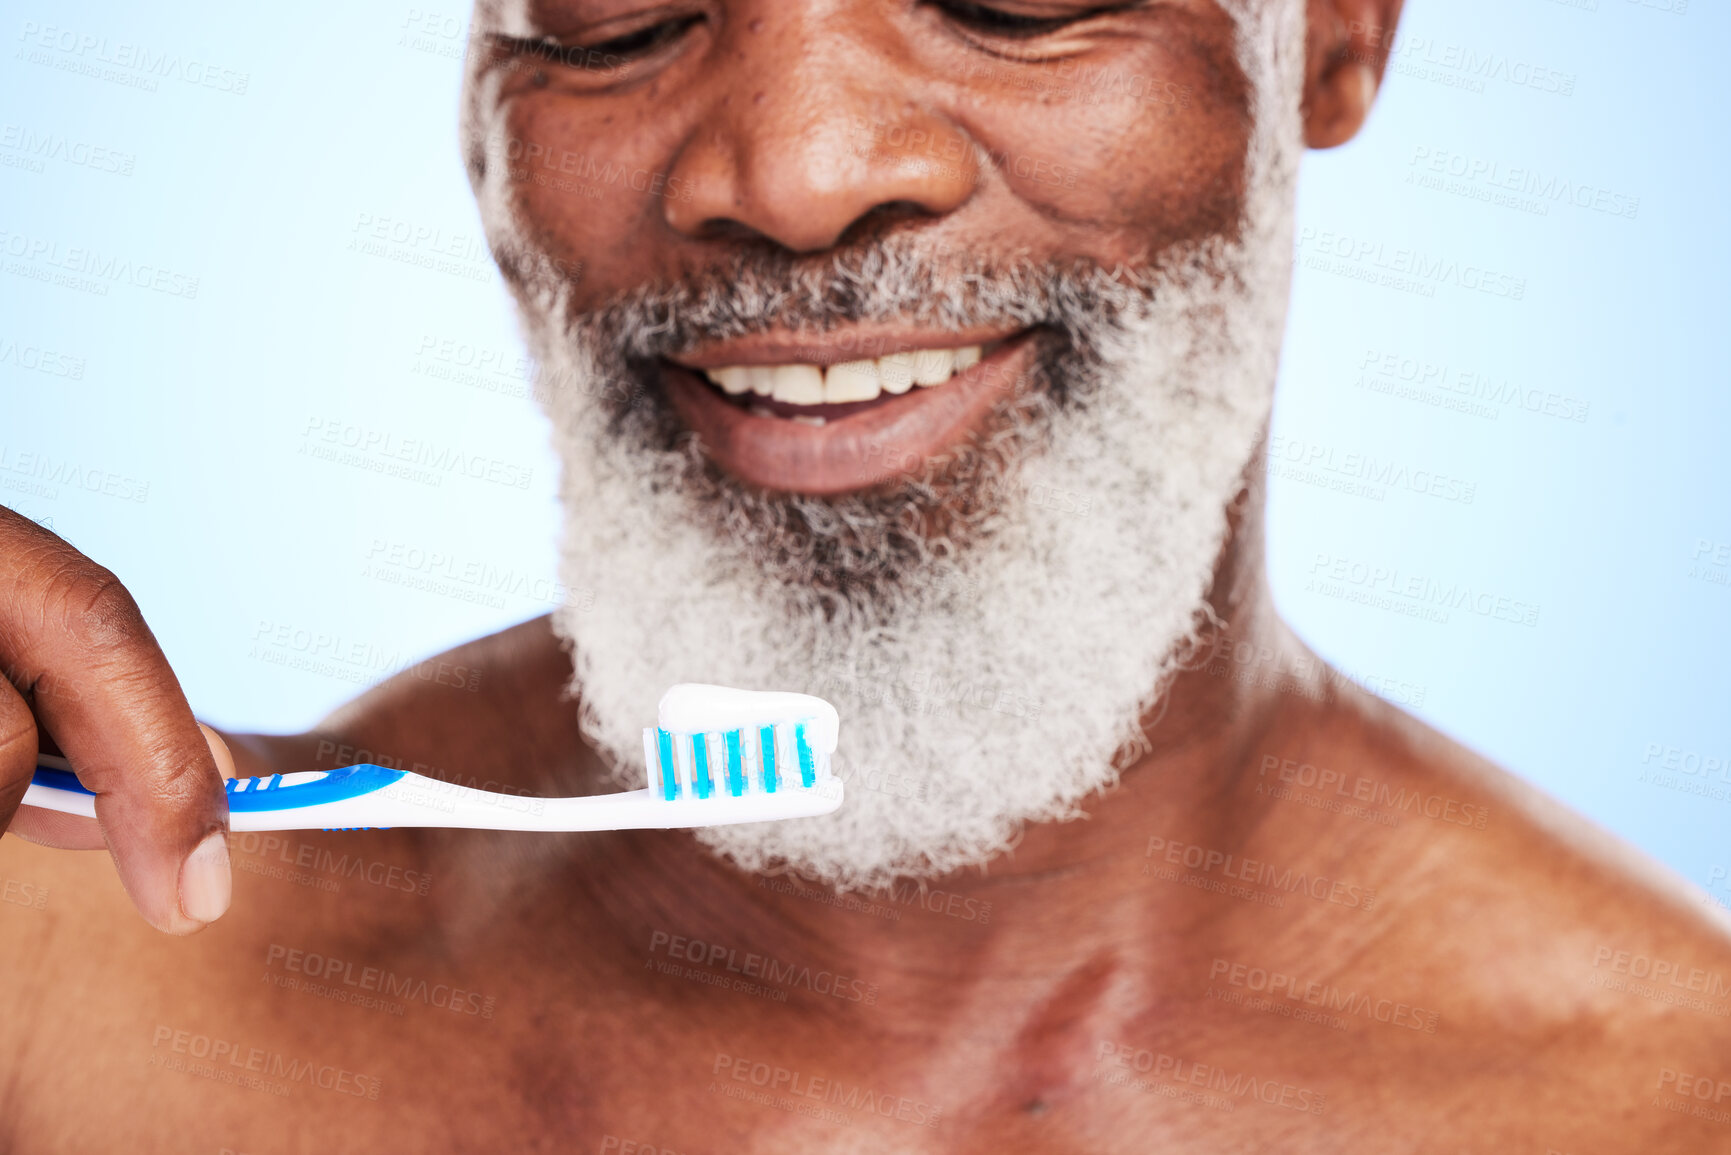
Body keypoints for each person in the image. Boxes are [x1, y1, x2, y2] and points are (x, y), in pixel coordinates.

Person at [2, 1, 1727, 1149]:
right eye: (622, 6)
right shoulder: (62, 994)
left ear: (1334, 32)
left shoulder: (1675, 1100)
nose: (801, 170)